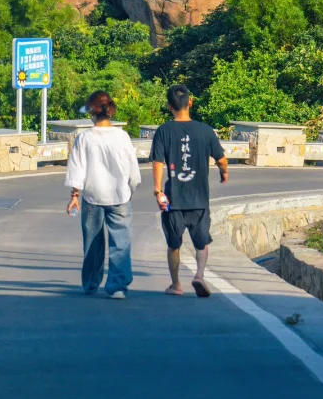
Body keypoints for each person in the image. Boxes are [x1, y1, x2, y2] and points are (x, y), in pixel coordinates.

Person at [150, 84, 228, 297]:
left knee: (174, 244)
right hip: (199, 199)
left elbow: (158, 163)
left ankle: (176, 285)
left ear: (169, 106)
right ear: (190, 102)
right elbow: (221, 159)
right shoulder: (205, 131)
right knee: (201, 242)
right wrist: (224, 173)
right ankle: (199, 275)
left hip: (173, 199)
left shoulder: (164, 131)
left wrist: (158, 191)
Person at [65, 91, 142, 298]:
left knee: (92, 244)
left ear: (92, 112)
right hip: (120, 196)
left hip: (92, 196)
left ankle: (91, 284)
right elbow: (133, 170)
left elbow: (77, 169)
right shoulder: (122, 137)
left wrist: (74, 195)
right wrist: (130, 189)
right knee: (121, 243)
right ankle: (117, 286)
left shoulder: (85, 138)